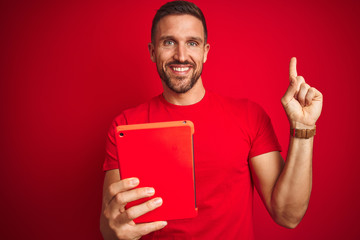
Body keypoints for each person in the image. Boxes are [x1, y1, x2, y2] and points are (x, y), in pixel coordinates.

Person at [100, 1, 323, 239]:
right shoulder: (125, 125)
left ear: (205, 51)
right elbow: (109, 228)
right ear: (153, 51)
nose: (181, 55)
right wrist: (116, 231)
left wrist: (304, 127)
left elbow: (288, 216)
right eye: (169, 42)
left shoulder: (249, 116)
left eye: (192, 43)